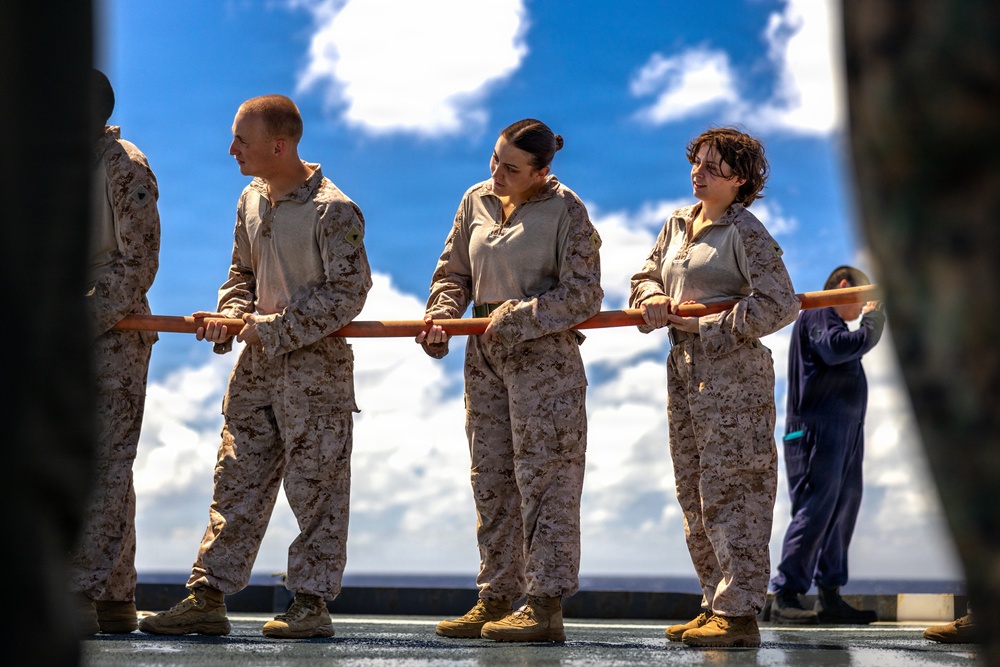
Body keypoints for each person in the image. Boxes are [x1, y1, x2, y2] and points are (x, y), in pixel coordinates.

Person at [138, 94, 372, 639]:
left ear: (279, 145)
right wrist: (232, 314)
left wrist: (267, 327)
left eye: (242, 139)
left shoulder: (334, 210)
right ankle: (207, 596)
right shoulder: (250, 199)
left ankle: (311, 605)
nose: (231, 149)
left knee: (317, 489)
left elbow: (348, 294)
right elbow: (241, 272)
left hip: (316, 369)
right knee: (235, 479)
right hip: (256, 367)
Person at [416, 119, 603, 643]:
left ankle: (544, 605)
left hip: (545, 359)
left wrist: (519, 318)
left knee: (547, 481)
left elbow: (585, 294)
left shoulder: (567, 211)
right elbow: (452, 272)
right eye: (494, 159)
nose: (497, 173)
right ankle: (497, 595)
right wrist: (443, 317)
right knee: (491, 477)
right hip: (485, 356)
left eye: (512, 168)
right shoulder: (474, 199)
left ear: (543, 171)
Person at [629, 127, 799, 648]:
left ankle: (739, 614)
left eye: (712, 166)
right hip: (682, 367)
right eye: (696, 162)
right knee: (694, 490)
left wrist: (706, 326)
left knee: (736, 488)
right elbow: (642, 278)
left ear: (740, 179)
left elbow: (780, 303)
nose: (697, 172)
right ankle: (714, 602)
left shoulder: (744, 229)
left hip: (733, 370)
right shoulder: (677, 224)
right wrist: (653, 297)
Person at [71, 69, 160, 636]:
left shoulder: (123, 164)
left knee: (100, 466)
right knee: (104, 469)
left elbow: (138, 263)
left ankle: (75, 593)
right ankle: (114, 597)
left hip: (111, 338)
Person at [768, 266, 885, 625]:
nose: (862, 307)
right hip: (816, 432)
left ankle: (830, 594)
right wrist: (872, 321)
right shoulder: (819, 312)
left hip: (846, 431)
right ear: (845, 288)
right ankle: (785, 594)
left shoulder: (832, 320)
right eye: (862, 299)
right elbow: (836, 349)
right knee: (816, 508)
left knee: (843, 508)